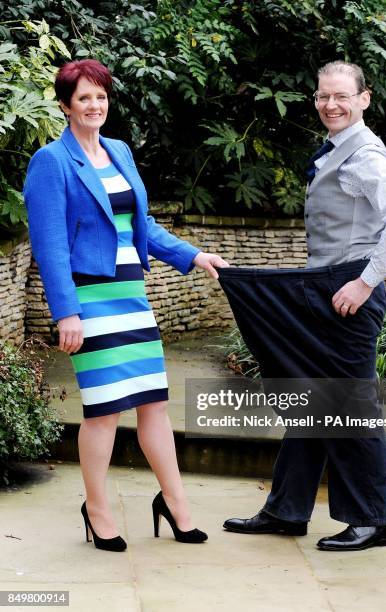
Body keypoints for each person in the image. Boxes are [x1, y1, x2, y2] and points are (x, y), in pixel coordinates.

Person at [24, 59, 228, 551]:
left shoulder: (118, 151)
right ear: (65, 106)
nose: (95, 106)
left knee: (155, 404)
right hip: (89, 297)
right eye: (84, 98)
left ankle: (176, 505)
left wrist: (193, 254)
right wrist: (65, 312)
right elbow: (49, 244)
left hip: (131, 295)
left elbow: (142, 228)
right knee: (104, 411)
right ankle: (98, 512)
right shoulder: (51, 162)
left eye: (101, 97)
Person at [222, 61, 386, 551]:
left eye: (342, 97)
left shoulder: (367, 155)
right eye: (323, 96)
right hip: (326, 289)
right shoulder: (339, 149)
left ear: (364, 99)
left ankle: (374, 521)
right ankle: (287, 510)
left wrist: (365, 282)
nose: (331, 105)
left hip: (348, 296)